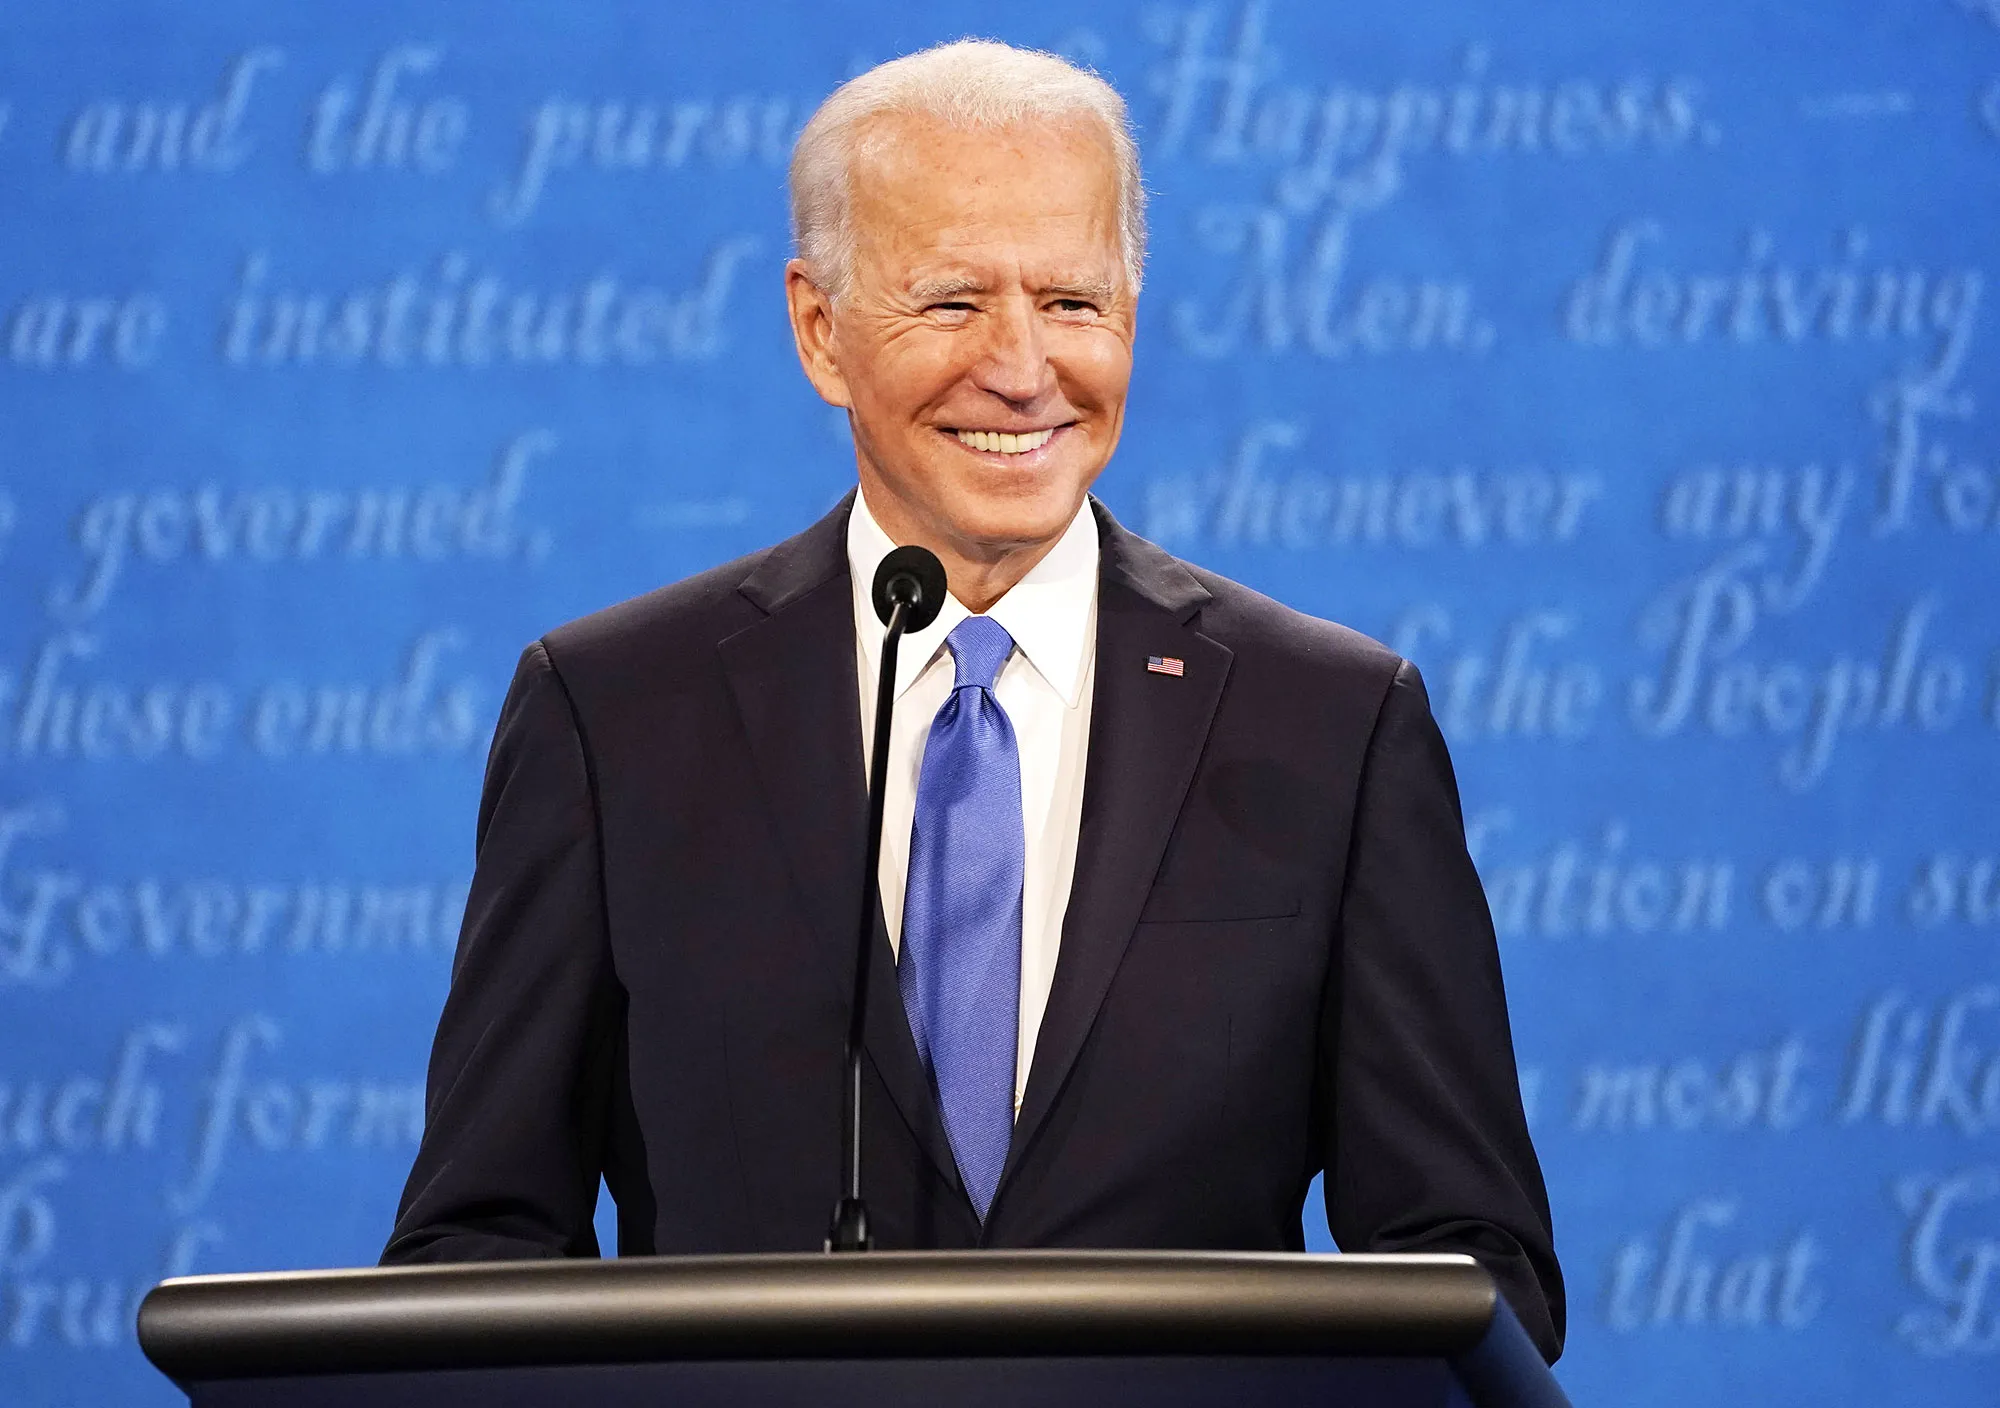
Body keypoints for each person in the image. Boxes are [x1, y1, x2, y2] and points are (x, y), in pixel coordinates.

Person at [382, 38, 1565, 1361]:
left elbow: (1476, 1273)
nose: (1021, 367)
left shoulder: (1333, 726)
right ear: (819, 329)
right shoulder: (611, 718)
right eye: (951, 303)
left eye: (1072, 301)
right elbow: (474, 1246)